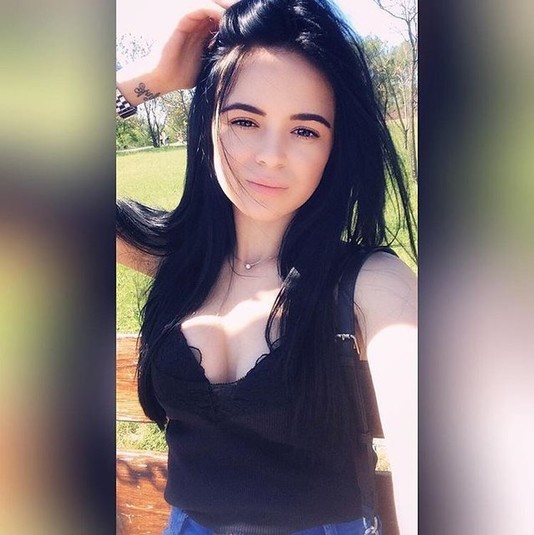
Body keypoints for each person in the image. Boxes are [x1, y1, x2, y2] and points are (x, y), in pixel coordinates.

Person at [116, 0, 417, 533]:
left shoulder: (369, 284)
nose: (270, 155)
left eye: (305, 130)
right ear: (208, 125)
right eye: (244, 120)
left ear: (334, 147)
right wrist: (147, 81)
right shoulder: (176, 260)